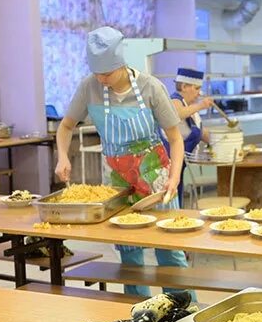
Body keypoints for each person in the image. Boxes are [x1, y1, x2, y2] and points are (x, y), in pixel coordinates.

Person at [54, 26, 197, 300]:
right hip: (118, 181)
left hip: (155, 177)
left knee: (169, 247)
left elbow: (175, 139)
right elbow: (66, 126)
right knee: (129, 252)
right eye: (97, 73)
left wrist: (174, 176)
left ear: (122, 63)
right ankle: (139, 308)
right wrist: (62, 156)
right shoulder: (89, 87)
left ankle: (181, 308)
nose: (101, 79)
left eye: (106, 73)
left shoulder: (151, 87)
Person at [163, 67, 214, 204]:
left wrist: (224, 141)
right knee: (170, 201)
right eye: (197, 88)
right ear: (184, 86)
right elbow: (177, 114)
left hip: (180, 165)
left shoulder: (189, 107)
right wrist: (201, 105)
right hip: (167, 164)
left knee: (177, 201)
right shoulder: (175, 101)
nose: (199, 93)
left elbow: (202, 133)